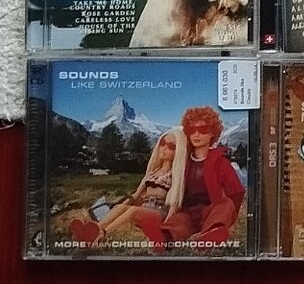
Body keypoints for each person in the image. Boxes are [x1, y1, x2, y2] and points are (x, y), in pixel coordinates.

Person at [134, 106, 243, 252]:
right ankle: (164, 238)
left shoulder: (220, 162)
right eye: (192, 130)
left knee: (225, 205)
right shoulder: (183, 161)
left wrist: (230, 220)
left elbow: (236, 192)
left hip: (210, 210)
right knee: (178, 222)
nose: (196, 134)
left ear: (212, 133)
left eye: (203, 130)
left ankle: (211, 234)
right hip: (187, 211)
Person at [69, 129, 186, 247]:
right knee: (123, 207)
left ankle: (103, 234)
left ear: (179, 151)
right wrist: (123, 204)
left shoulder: (174, 175)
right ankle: (94, 229)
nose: (164, 148)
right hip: (144, 209)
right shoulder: (152, 173)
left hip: (159, 213)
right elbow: (136, 194)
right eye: (162, 143)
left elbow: (174, 202)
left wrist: (166, 225)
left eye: (171, 146)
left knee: (132, 210)